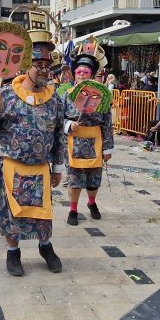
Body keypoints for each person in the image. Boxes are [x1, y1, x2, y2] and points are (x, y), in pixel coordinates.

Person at [0, 25, 65, 276]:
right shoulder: (6, 94)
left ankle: (45, 246)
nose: (43, 70)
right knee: (10, 213)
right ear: (26, 66)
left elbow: (59, 134)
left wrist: (58, 167)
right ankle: (13, 253)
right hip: (9, 164)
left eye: (47, 66)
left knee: (43, 213)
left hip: (40, 167)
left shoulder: (55, 99)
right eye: (38, 65)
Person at [62, 52, 114, 226]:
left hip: (95, 141)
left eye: (85, 72)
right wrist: (68, 124)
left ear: (91, 75)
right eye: (79, 72)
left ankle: (92, 202)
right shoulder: (67, 95)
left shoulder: (100, 96)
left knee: (93, 179)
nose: (82, 75)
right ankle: (73, 209)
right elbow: (56, 119)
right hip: (73, 141)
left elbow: (107, 122)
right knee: (75, 179)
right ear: (74, 74)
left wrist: (108, 148)